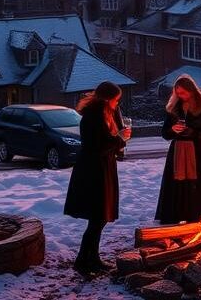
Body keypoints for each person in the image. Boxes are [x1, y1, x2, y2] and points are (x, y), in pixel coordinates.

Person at [64, 81, 131, 278]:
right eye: (116, 100)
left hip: (103, 168)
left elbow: (110, 141)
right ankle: (83, 261)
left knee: (99, 217)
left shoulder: (106, 112)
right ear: (107, 99)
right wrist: (119, 138)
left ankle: (92, 258)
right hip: (93, 171)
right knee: (97, 217)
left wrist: (120, 136)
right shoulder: (93, 116)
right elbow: (98, 145)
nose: (117, 103)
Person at [155, 75, 201, 224]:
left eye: (183, 93)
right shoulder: (173, 107)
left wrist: (193, 132)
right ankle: (175, 214)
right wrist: (173, 129)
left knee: (197, 183)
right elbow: (165, 133)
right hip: (177, 151)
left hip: (196, 151)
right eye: (178, 93)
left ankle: (197, 214)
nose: (180, 96)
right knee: (176, 184)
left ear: (191, 90)